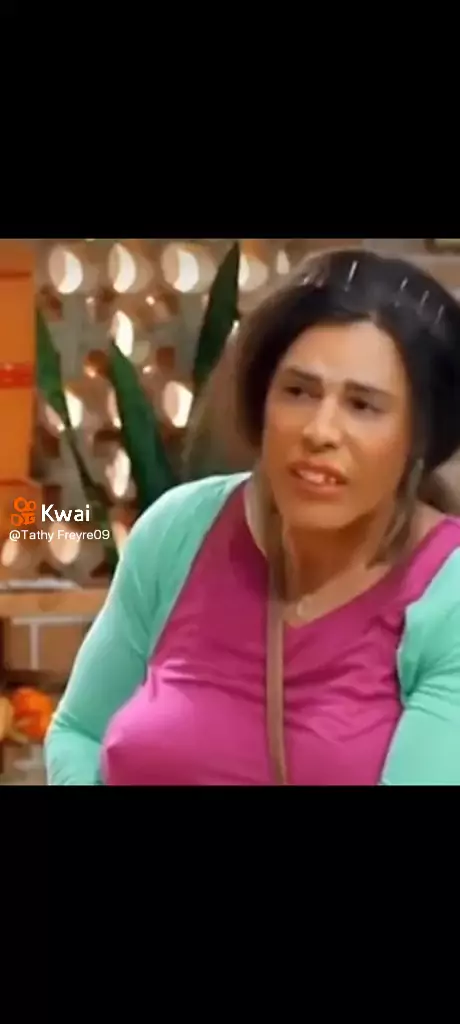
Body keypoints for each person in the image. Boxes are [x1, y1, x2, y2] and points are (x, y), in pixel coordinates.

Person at [45, 247, 460, 786]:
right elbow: (79, 731)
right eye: (298, 392)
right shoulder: (181, 530)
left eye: (362, 405)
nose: (319, 431)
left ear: (419, 440)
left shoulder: (448, 594)